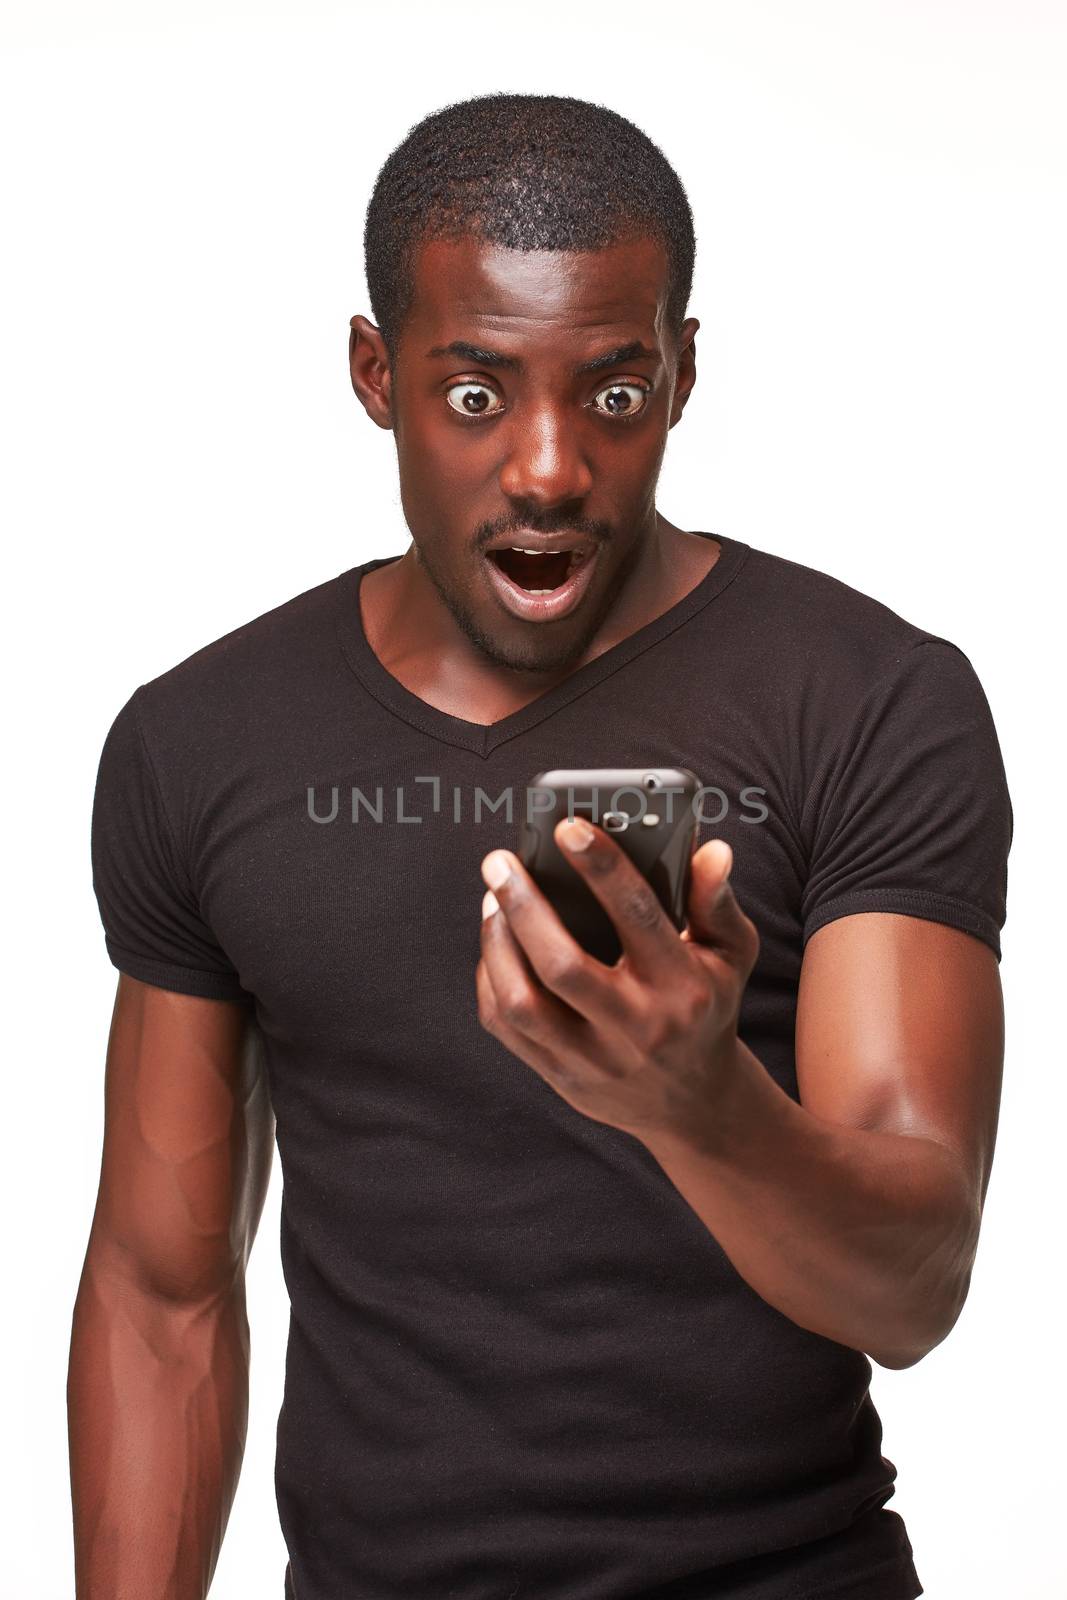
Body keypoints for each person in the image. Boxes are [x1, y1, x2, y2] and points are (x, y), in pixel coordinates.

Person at [68, 92, 1012, 1600]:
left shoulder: (870, 702)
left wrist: (698, 1105)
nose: (553, 467)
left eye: (615, 392)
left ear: (686, 373)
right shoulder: (203, 742)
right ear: (376, 374)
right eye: (476, 393)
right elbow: (162, 1289)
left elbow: (914, 1285)